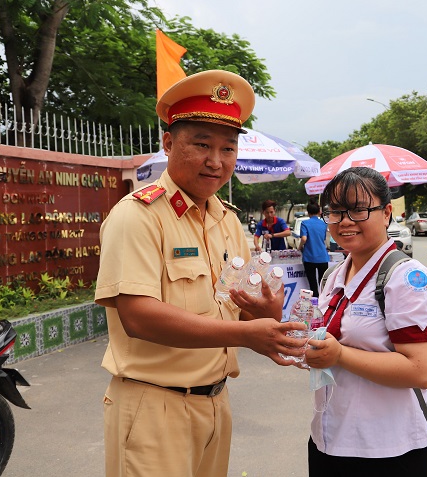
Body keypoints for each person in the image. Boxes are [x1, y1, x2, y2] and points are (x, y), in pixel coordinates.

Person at [95, 70, 306, 477]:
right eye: (202, 145)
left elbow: (244, 310)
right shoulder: (137, 216)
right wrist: (247, 334)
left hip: (216, 402)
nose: (216, 161)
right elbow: (138, 316)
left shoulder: (227, 220)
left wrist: (268, 314)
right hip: (153, 406)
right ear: (169, 143)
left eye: (228, 148)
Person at [304, 167, 427, 476]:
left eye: (359, 210)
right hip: (328, 438)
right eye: (336, 212)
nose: (345, 221)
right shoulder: (333, 275)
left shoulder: (405, 279)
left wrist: (339, 355)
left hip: (388, 449)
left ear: (386, 212)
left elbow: (420, 370)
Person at [299, 198, 330, 297]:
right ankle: (324, 306)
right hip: (323, 257)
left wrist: (300, 247)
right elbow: (324, 239)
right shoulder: (323, 223)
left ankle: (316, 305)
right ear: (319, 212)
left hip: (309, 258)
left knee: (313, 285)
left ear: (308, 212)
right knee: (323, 285)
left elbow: (304, 238)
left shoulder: (305, 223)